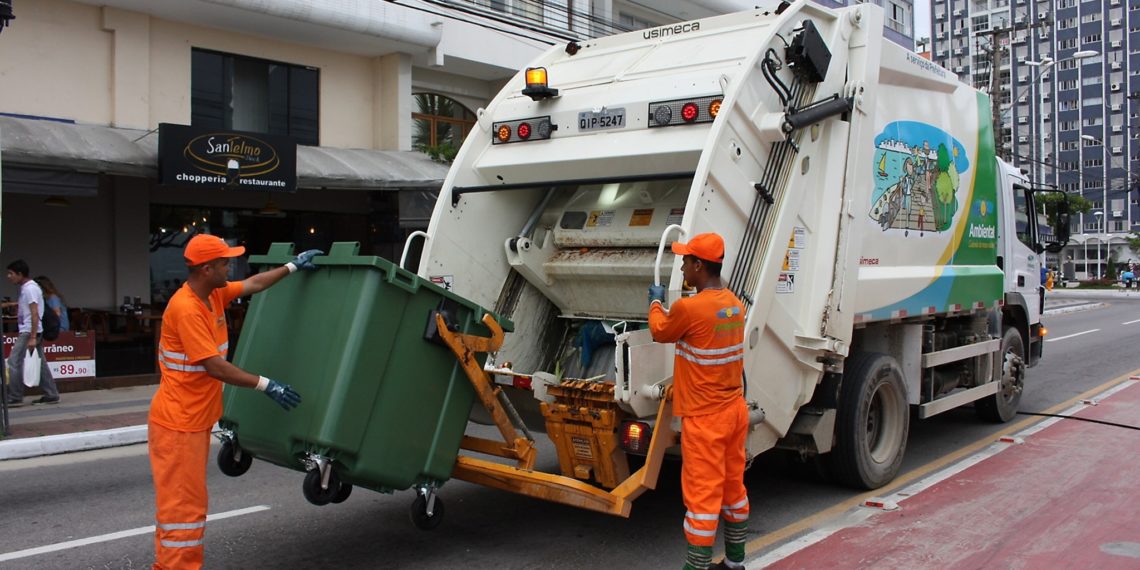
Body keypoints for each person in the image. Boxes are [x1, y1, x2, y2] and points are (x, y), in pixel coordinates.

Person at [149, 235, 321, 569]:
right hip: (178, 425)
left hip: (191, 421)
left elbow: (254, 283)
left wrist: (292, 265)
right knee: (183, 511)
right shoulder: (187, 309)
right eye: (225, 262)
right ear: (206, 268)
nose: (231, 266)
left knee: (184, 506)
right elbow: (214, 366)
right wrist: (265, 384)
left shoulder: (212, 294)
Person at [647, 233, 749, 570]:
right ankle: (735, 564)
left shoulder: (689, 308)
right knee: (733, 488)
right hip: (734, 410)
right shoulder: (734, 304)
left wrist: (655, 303)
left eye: (686, 261)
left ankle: (696, 566)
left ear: (699, 265)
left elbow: (660, 331)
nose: (682, 266)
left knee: (702, 498)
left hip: (705, 420)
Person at [4, 260, 60, 407]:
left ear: (20, 274)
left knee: (14, 361)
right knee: (40, 363)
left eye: (11, 273)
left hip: (29, 331)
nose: (8, 276)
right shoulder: (27, 288)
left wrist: (33, 336)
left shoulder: (30, 289)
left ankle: (15, 396)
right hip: (31, 330)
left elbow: (35, 314)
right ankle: (51, 394)